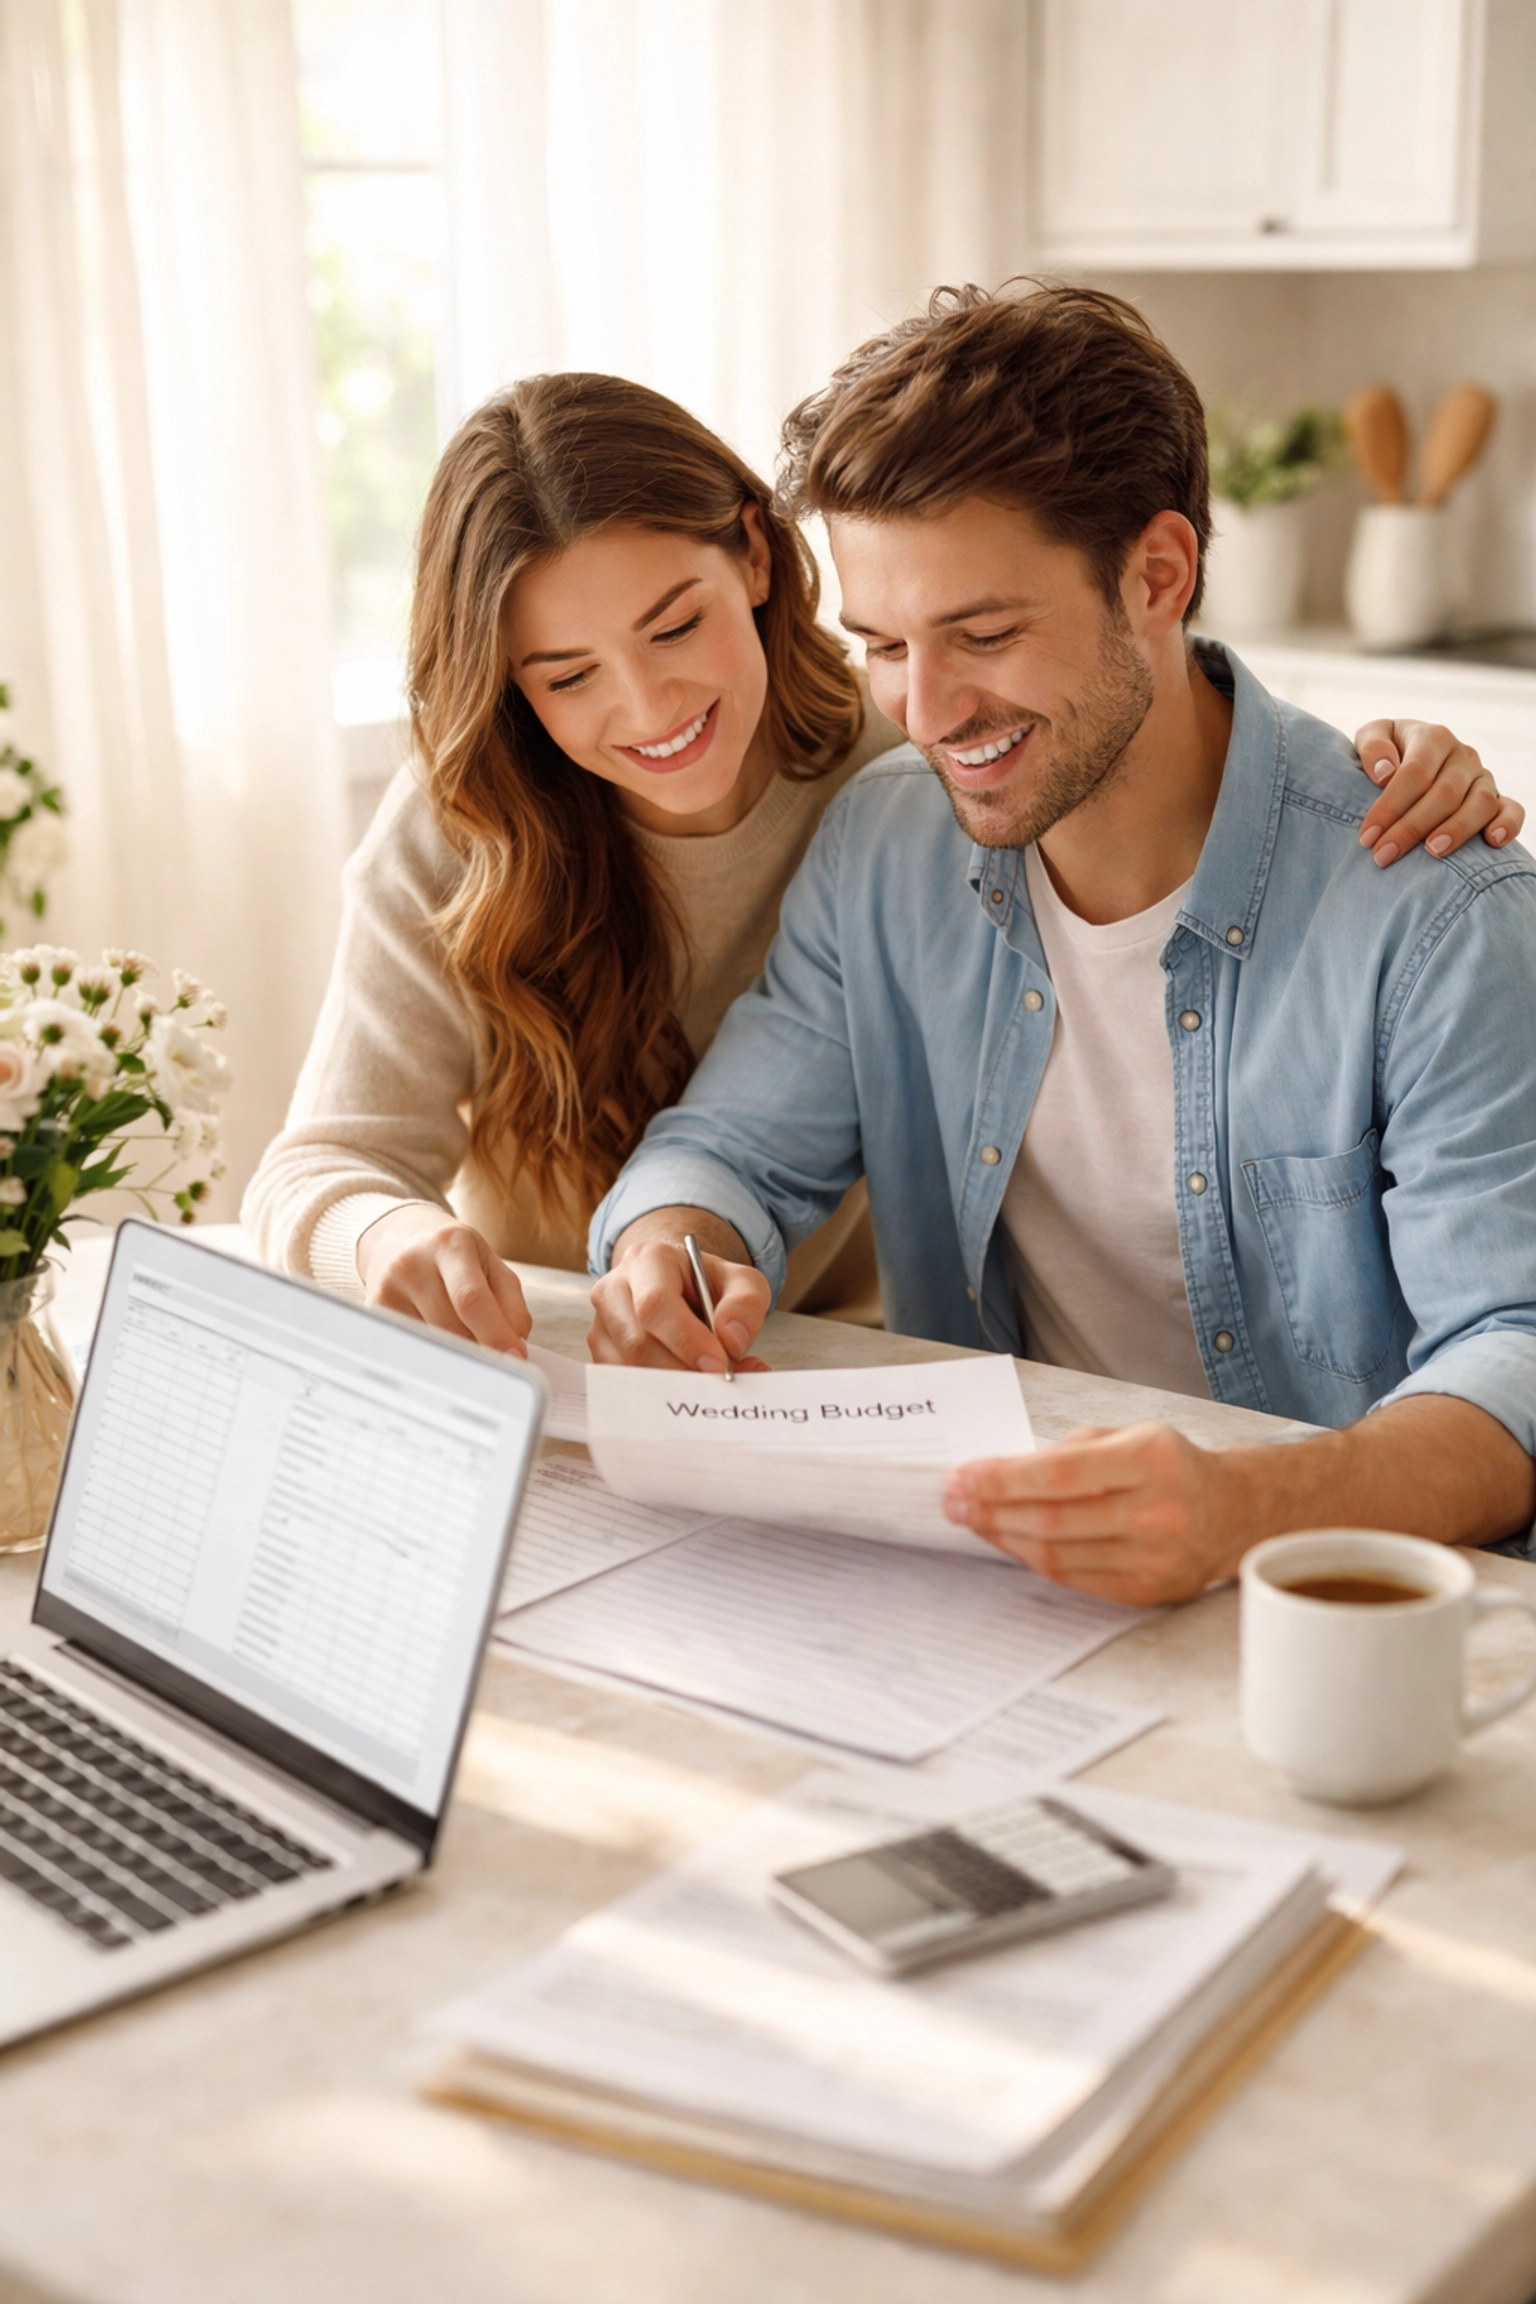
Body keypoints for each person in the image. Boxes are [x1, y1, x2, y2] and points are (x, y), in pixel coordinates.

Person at [586, 284, 1536, 1605]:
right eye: (884, 647)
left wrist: (1241, 1506)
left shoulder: (1436, 909)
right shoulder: (887, 851)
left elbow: (1515, 1353)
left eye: (984, 636)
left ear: (1158, 576)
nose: (925, 709)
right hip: (1003, 1588)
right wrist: (667, 1258)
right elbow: (732, 1150)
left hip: (1333, 1608)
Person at [245, 365, 1513, 1355]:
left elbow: (1131, 724)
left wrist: (1362, 770)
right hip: (571, 1351)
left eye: (674, 625)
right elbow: (331, 1162)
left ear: (752, 553)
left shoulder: (914, 771)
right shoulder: (477, 818)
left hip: (838, 1363)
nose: (645, 708)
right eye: (567, 676)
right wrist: (403, 1238)